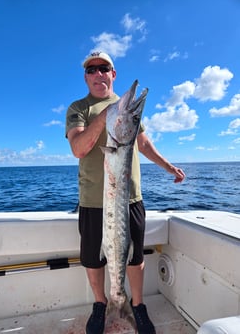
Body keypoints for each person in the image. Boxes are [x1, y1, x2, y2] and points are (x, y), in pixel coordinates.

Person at [65, 51, 185, 334]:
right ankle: (101, 303)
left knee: (134, 257)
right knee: (94, 258)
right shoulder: (79, 108)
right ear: (86, 77)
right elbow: (79, 148)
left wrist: (169, 167)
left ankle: (137, 305)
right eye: (91, 70)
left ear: (112, 73)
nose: (98, 74)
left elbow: (143, 144)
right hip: (94, 200)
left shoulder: (126, 109)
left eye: (103, 68)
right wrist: (108, 114)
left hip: (129, 198)